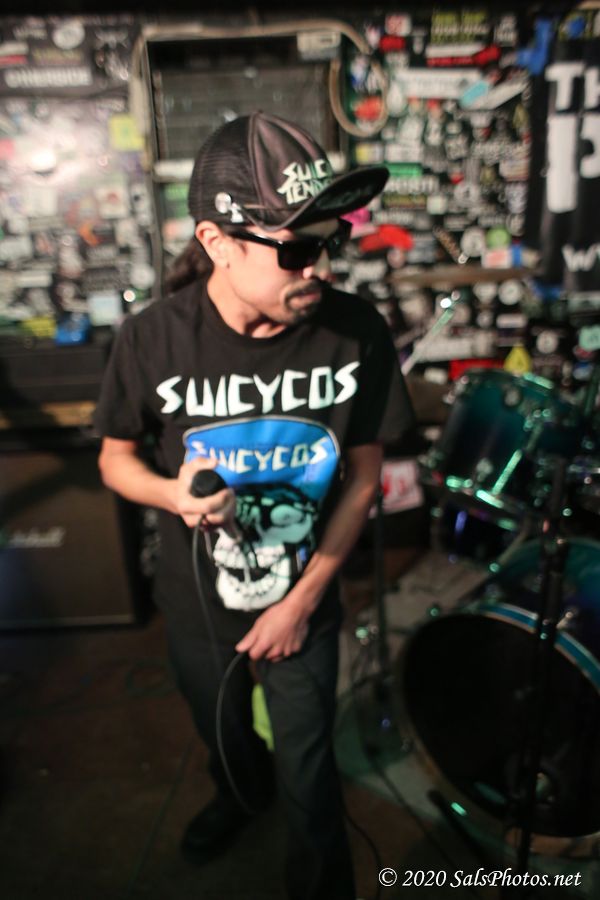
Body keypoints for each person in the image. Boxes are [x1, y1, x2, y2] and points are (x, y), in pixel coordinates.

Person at [94, 111, 414, 900]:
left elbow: (364, 479)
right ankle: (238, 798)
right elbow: (115, 459)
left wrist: (300, 605)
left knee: (309, 774)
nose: (320, 269)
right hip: (199, 601)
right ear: (217, 242)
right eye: (297, 249)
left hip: (305, 598)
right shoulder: (152, 340)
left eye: (330, 243)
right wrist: (172, 493)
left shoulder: (355, 334)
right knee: (228, 740)